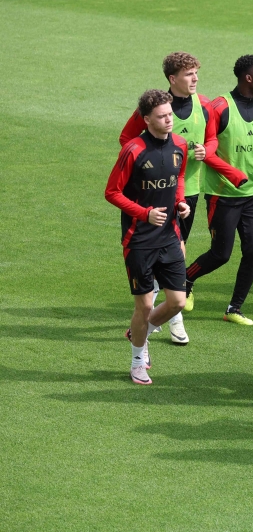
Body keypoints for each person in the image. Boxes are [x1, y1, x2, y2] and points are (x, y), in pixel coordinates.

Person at [185, 55, 253, 326]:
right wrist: (233, 174)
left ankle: (235, 308)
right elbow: (206, 150)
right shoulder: (220, 108)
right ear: (248, 78)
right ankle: (186, 278)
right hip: (223, 195)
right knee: (221, 254)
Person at [119, 52, 209, 341]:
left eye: (196, 73)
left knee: (176, 250)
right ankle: (171, 318)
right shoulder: (152, 107)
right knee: (174, 250)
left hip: (187, 192)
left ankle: (166, 314)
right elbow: (127, 141)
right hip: (151, 201)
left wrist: (205, 150)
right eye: (189, 74)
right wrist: (146, 171)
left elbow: (213, 136)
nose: (195, 78)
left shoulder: (204, 104)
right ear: (173, 79)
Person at [105, 90, 190, 385]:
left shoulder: (180, 145)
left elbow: (178, 176)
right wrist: (144, 213)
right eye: (162, 116)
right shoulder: (133, 150)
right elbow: (111, 192)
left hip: (169, 236)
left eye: (170, 114)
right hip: (139, 240)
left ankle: (140, 330)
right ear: (146, 120)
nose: (169, 120)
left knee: (178, 302)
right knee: (143, 307)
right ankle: (137, 360)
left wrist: (179, 202)